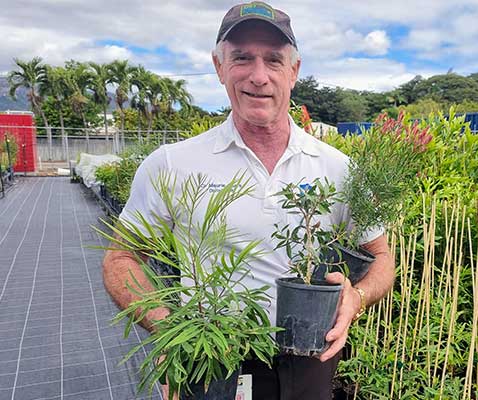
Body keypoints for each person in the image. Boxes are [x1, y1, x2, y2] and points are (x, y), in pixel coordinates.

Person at [102, 2, 395, 399]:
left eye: (274, 60)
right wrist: (171, 327)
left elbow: (381, 257)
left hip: (310, 359)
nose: (259, 76)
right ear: (219, 66)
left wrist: (356, 297)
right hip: (209, 359)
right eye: (242, 58)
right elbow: (121, 258)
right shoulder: (172, 164)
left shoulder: (339, 168)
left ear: (294, 71)